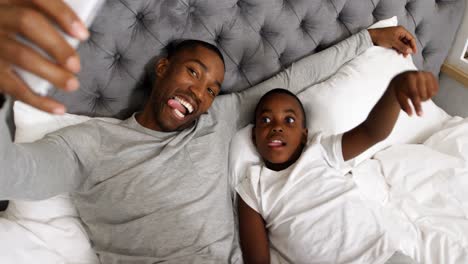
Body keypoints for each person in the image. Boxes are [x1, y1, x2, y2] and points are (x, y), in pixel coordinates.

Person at [0, 1, 420, 262]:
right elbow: (12, 174)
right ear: (163, 69)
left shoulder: (218, 119)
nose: (199, 94)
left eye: (211, 88)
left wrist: (369, 39)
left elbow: (294, 79)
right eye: (193, 73)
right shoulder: (87, 144)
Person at [237, 81, 438, 263]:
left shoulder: (319, 150)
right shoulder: (253, 186)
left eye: (289, 120)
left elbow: (372, 132)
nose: (277, 127)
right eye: (265, 120)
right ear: (254, 137)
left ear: (304, 135)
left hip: (381, 254)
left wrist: (395, 92)